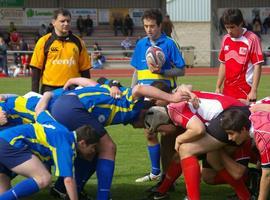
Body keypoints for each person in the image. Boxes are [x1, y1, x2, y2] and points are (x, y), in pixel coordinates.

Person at [35, 77, 193, 200]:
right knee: (109, 147)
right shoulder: (133, 105)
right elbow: (139, 88)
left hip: (63, 105)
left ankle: (63, 188)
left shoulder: (115, 96)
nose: (145, 128)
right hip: (71, 107)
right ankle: (103, 197)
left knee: (90, 151)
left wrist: (72, 80)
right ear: (144, 114)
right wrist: (172, 98)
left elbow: (94, 83)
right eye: (147, 124)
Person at [143, 92, 253, 200]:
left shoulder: (173, 110)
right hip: (232, 112)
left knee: (186, 149)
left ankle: (192, 197)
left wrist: (179, 139)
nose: (163, 134)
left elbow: (199, 129)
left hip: (232, 114)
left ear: (162, 121)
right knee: (210, 165)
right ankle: (245, 195)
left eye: (159, 129)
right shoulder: (175, 106)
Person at [130, 8, 185, 184]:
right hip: (145, 95)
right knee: (149, 132)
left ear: (160, 25)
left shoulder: (169, 44)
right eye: (146, 26)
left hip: (165, 94)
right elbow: (137, 71)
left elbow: (181, 70)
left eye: (152, 26)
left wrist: (163, 70)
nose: (148, 29)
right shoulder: (141, 44)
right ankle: (156, 173)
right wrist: (133, 91)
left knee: (166, 137)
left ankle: (167, 179)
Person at [0, 110, 99, 200]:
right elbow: (68, 180)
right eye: (93, 147)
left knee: (5, 192)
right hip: (10, 143)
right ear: (82, 143)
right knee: (43, 178)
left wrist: (47, 96)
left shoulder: (61, 128)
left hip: (4, 138)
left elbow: (40, 112)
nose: (93, 151)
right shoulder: (66, 145)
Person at [219, 97, 270, 200]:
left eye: (231, 134)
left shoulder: (263, 135)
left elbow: (267, 175)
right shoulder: (252, 115)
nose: (229, 138)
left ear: (243, 129)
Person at [30, 8, 91, 94]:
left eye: (68, 21)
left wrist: (88, 91)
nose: (66, 24)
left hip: (73, 89)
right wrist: (34, 93)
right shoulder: (44, 41)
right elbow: (36, 69)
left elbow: (85, 69)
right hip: (49, 89)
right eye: (62, 21)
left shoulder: (78, 42)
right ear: (54, 22)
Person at [215, 8, 264, 103]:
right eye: (227, 27)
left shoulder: (252, 39)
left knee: (242, 117)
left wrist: (253, 91)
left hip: (245, 91)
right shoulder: (225, 39)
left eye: (232, 27)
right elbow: (223, 64)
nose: (229, 31)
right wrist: (218, 86)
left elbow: (257, 65)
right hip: (227, 90)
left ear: (241, 23)